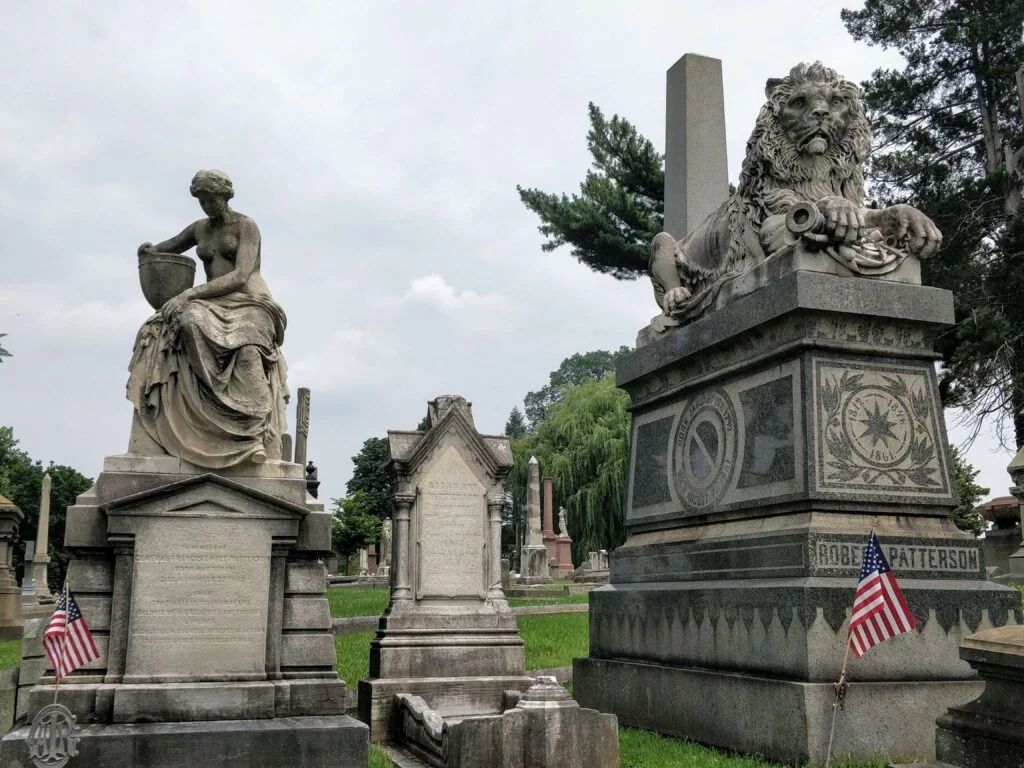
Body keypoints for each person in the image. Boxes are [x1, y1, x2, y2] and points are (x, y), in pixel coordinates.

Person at [127, 170, 288, 468]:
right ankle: (203, 418)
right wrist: (148, 250)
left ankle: (250, 427)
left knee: (247, 344)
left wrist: (189, 294)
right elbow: (168, 247)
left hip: (250, 301)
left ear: (225, 196)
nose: (207, 205)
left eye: (212, 199)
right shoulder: (200, 229)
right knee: (186, 322)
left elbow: (240, 276)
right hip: (210, 302)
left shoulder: (246, 226)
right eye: (202, 200)